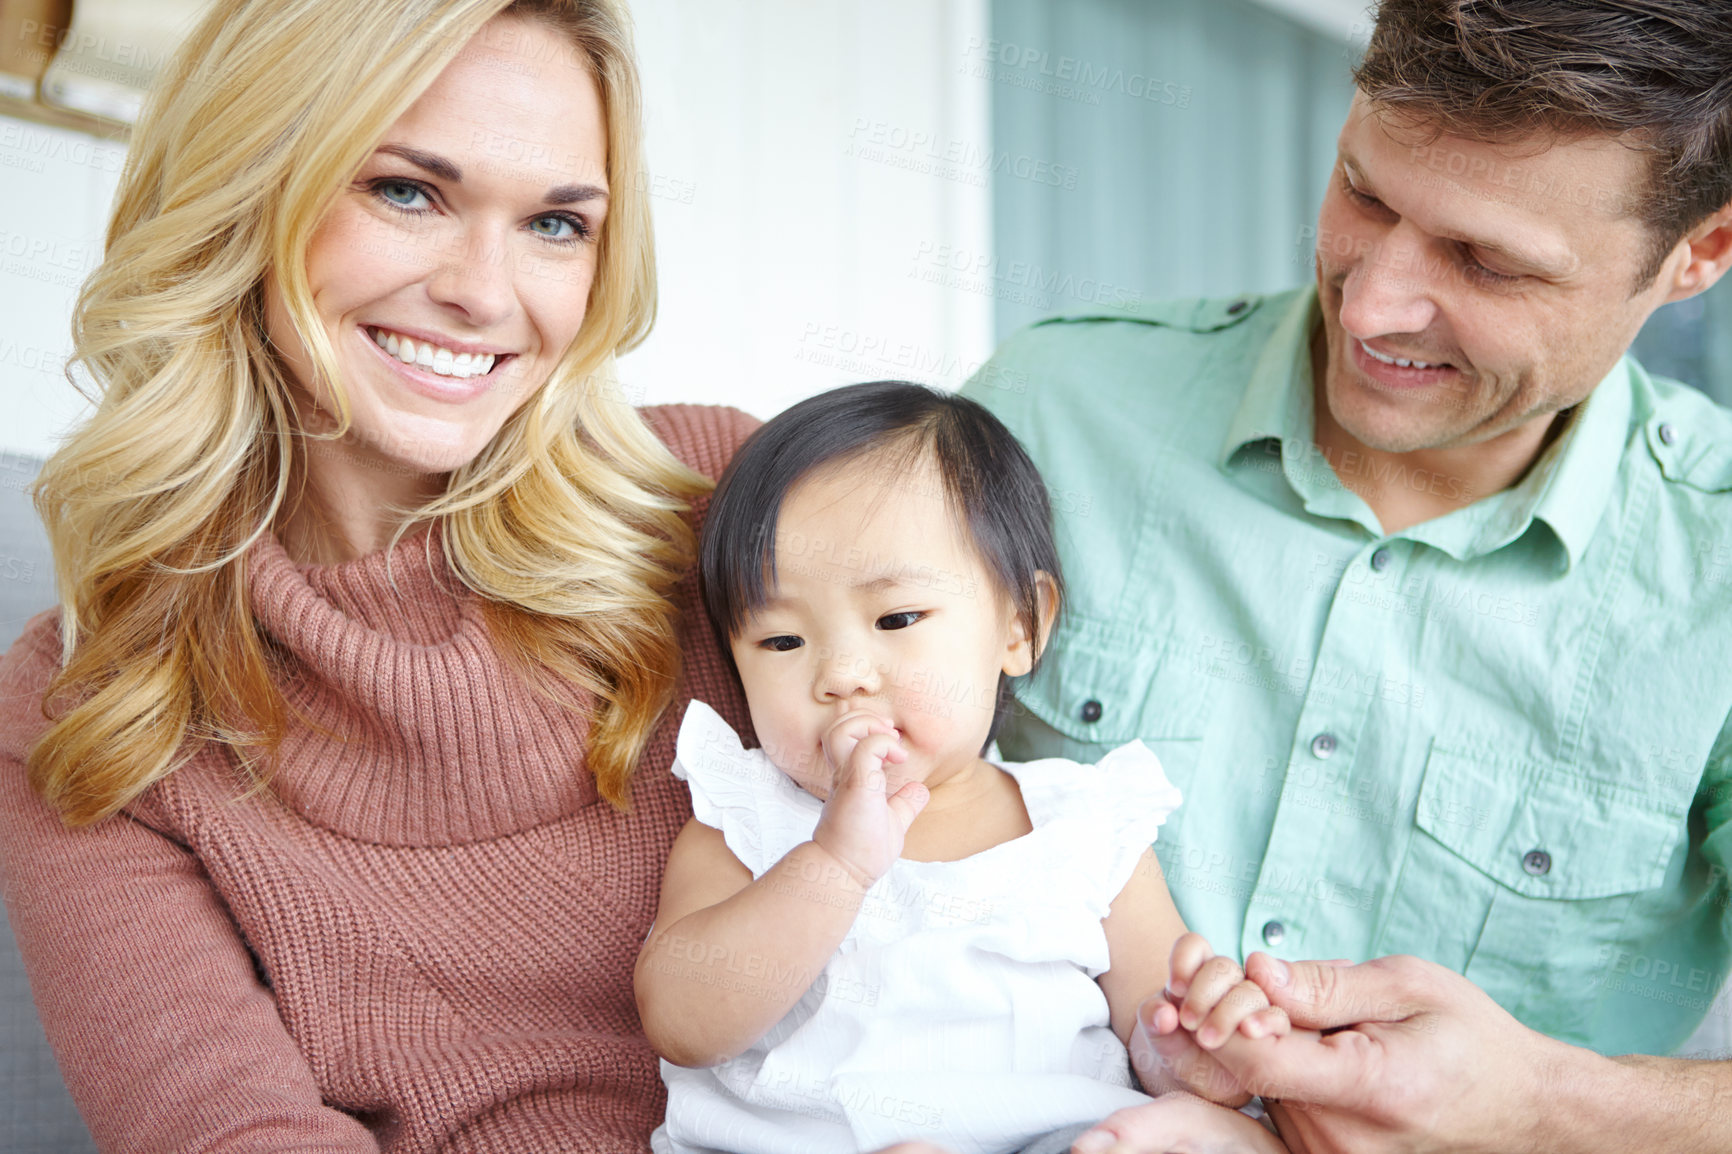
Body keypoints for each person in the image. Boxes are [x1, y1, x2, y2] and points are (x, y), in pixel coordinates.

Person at [959, 1, 1732, 1151]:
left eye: (1487, 261)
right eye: (1363, 192)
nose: (1370, 305)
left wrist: (1542, 1104)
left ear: (1698, 253)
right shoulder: (1048, 414)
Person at [0, 2, 768, 1150]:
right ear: (248, 194)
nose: (484, 291)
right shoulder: (93, 702)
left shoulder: (732, 503)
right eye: (407, 191)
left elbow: (989, 877)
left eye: (557, 223)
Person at [633, 382, 1290, 1154]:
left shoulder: (1085, 827)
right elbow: (682, 1023)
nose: (842, 673)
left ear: (1021, 625)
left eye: (897, 619)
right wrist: (835, 865)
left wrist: (1192, 1053)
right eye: (781, 642)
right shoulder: (748, 823)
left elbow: (1156, 1037)